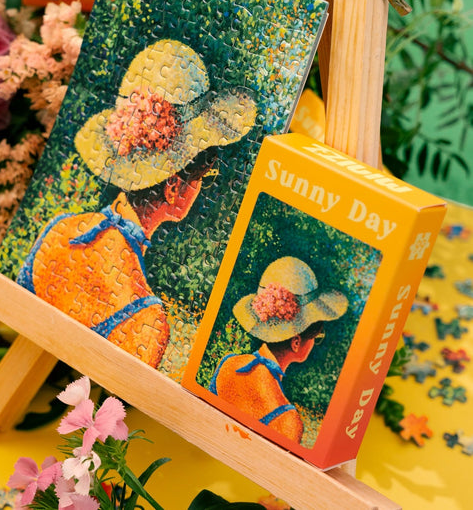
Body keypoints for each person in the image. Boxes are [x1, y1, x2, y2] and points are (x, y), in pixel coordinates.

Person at [18, 39, 256, 368]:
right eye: (206, 176)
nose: (203, 187)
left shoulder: (58, 229)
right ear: (173, 187)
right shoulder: (147, 320)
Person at [209, 256, 348, 442]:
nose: (315, 342)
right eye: (317, 337)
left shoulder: (228, 363)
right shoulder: (288, 421)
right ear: (296, 342)